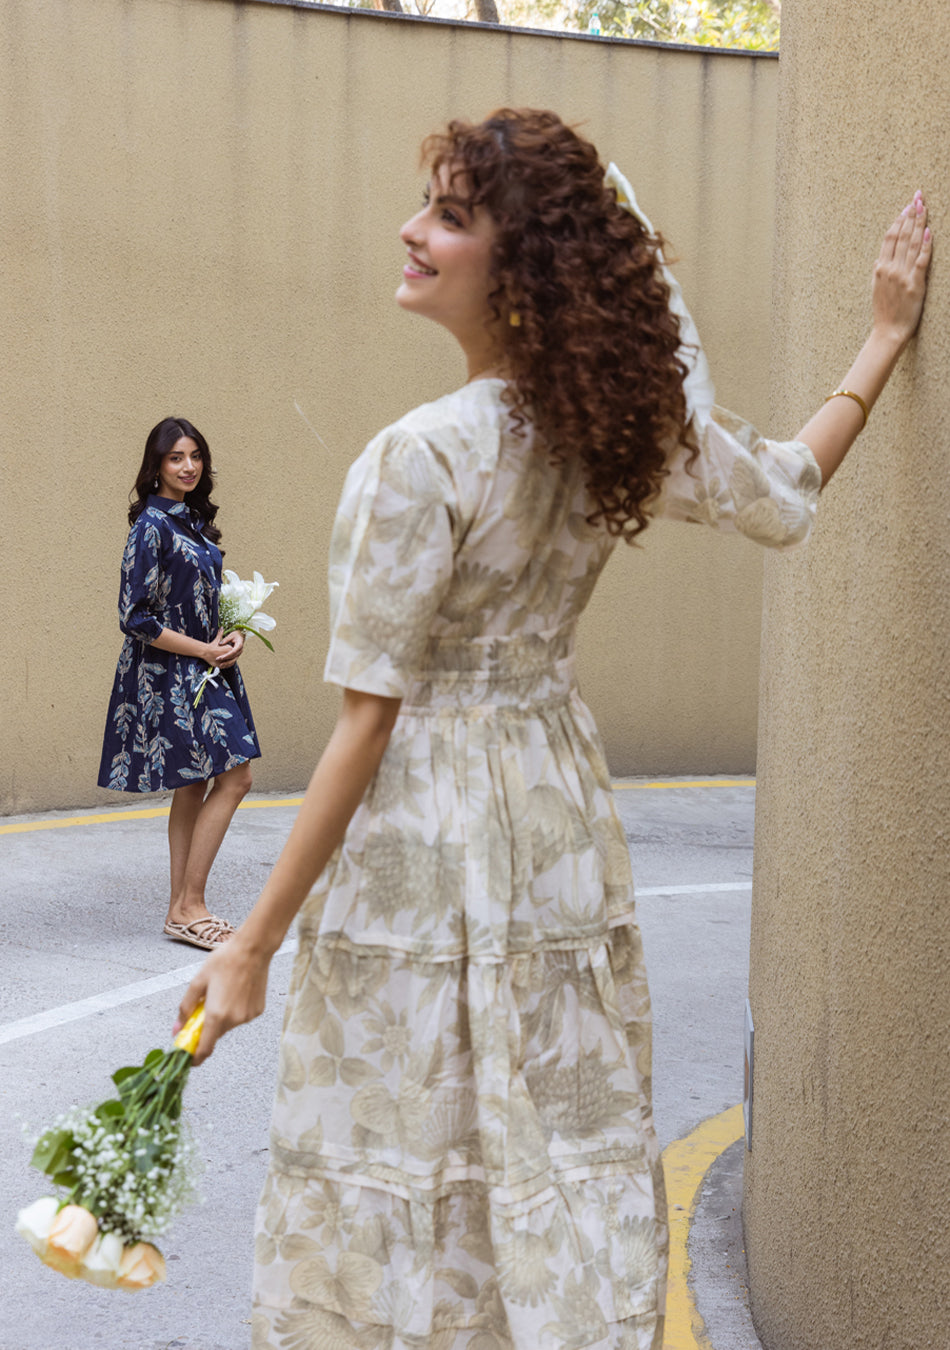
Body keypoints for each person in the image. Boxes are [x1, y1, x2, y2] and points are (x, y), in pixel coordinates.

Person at [177, 110, 931, 1349]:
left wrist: (251, 945)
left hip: (426, 837)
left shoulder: (417, 460)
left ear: (518, 267)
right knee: (549, 1132)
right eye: (427, 207)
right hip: (554, 821)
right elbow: (782, 488)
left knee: (411, 1143)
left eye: (450, 218)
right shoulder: (604, 436)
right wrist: (880, 341)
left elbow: (368, 725)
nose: (412, 232)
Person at [98, 416, 261, 951]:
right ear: (157, 467)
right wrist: (201, 650)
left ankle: (180, 912)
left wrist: (232, 636)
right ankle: (191, 905)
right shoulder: (151, 526)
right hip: (170, 671)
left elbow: (201, 602)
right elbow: (135, 617)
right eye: (175, 458)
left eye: (194, 456)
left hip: (205, 664)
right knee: (235, 778)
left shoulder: (191, 522)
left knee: (196, 782)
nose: (188, 466)